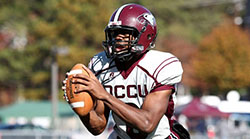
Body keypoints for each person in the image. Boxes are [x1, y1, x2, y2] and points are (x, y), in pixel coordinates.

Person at [62, 3, 189, 139]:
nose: (117, 38)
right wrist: (80, 106)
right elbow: (98, 127)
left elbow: (147, 123)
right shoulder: (101, 64)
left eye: (125, 33)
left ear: (145, 35)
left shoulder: (160, 65)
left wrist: (104, 95)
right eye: (115, 33)